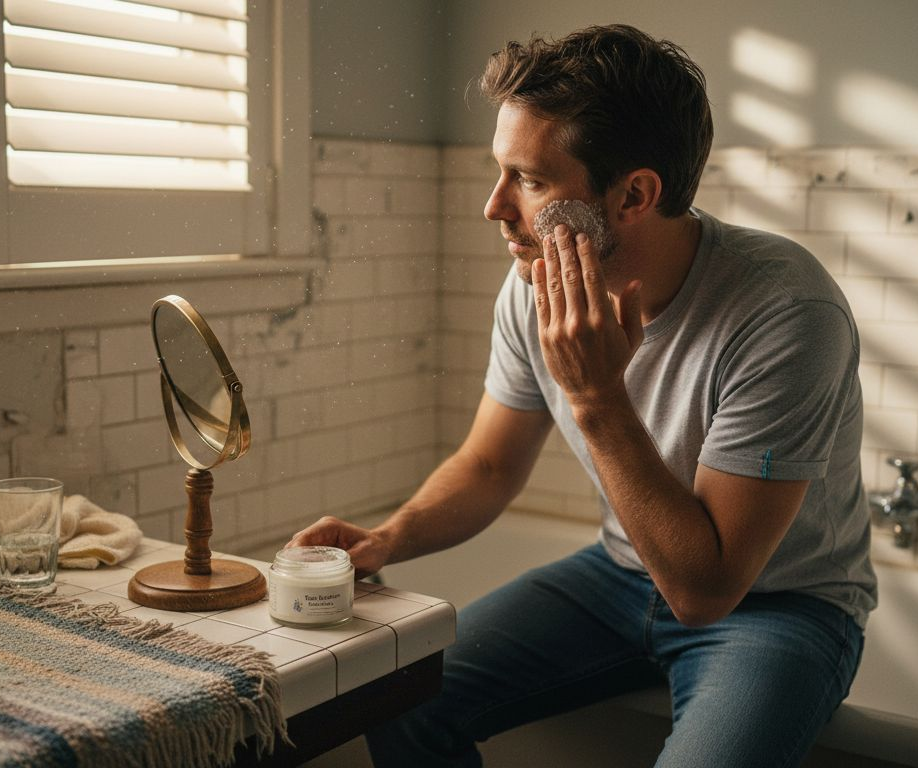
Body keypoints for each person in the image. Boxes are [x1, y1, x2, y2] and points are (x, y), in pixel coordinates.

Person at [290, 23, 876, 768]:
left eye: (530, 180)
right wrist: (389, 539)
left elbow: (706, 591)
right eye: (500, 173)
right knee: (399, 697)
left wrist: (597, 398)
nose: (495, 207)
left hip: (776, 607)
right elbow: (491, 465)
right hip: (616, 578)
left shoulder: (785, 311)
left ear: (634, 193)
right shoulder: (532, 282)